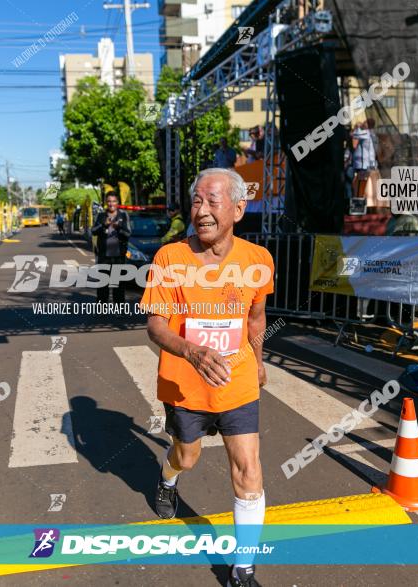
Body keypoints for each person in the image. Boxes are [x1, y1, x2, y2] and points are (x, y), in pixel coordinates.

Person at [142, 168, 274, 587]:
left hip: (236, 381)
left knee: (248, 467)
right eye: (197, 201)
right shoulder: (170, 258)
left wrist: (258, 360)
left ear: (238, 208)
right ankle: (168, 478)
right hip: (186, 382)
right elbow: (155, 325)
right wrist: (193, 352)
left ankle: (242, 567)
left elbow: (256, 318)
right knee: (189, 456)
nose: (201, 210)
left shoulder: (258, 260)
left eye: (212, 201)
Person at [90, 192, 131, 303]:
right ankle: (102, 308)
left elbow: (128, 233)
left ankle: (119, 309)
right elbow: (93, 231)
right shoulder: (101, 216)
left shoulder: (123, 215)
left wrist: (119, 227)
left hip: (119, 257)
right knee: (103, 286)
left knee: (119, 286)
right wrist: (104, 224)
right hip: (104, 257)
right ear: (106, 203)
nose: (111, 203)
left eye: (113, 201)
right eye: (109, 201)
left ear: (117, 203)